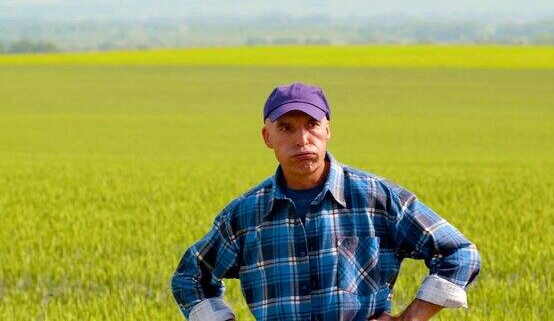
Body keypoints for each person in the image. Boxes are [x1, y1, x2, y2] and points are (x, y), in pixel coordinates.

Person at [171, 82, 481, 321]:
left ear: (327, 129)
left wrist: (410, 318)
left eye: (311, 124)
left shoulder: (377, 198)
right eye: (287, 127)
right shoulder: (245, 215)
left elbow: (459, 253)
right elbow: (190, 278)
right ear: (268, 137)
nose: (302, 138)